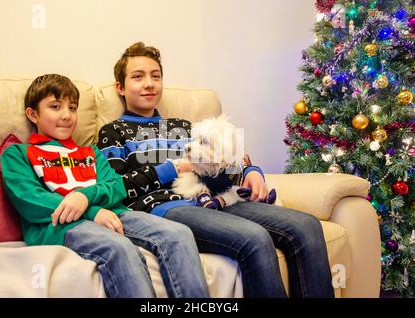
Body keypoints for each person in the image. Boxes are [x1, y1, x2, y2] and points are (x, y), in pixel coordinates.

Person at [97, 42, 335, 298]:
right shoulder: (113, 132)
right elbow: (118, 188)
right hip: (169, 207)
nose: (149, 84)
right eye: (138, 77)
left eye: (156, 76)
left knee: (307, 225)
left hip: (220, 197)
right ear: (121, 88)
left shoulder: (185, 126)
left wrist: (251, 171)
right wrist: (175, 168)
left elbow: (226, 155)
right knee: (254, 238)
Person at [1, 73, 209, 298]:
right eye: (55, 106)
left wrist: (86, 197)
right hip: (59, 226)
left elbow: (115, 185)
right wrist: (91, 210)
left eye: (72, 108)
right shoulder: (17, 153)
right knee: (118, 247)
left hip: (114, 213)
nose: (66, 115)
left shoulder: (91, 152)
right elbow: (29, 199)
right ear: (33, 114)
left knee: (178, 233)